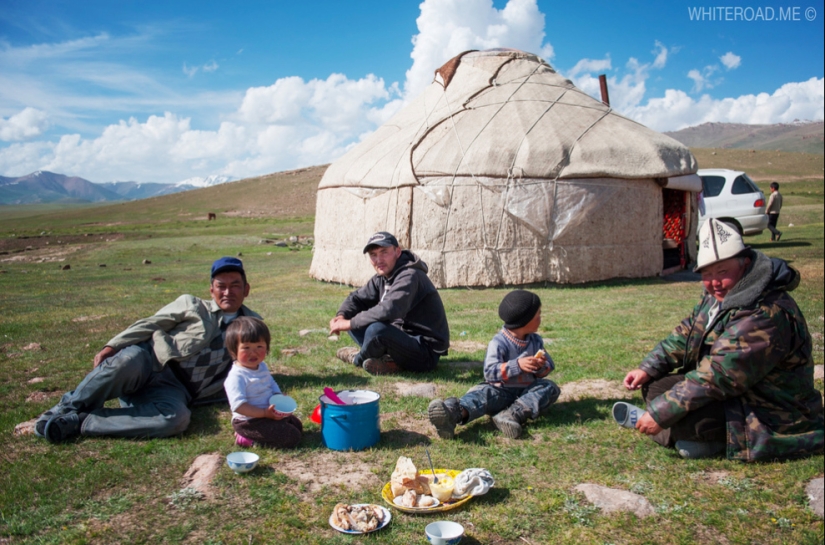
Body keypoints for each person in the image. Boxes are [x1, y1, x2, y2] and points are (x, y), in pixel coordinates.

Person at [613, 218, 823, 461]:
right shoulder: (718, 296)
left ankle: (699, 440)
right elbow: (685, 334)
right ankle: (684, 436)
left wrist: (661, 414)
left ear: (745, 264)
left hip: (766, 407)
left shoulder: (765, 312)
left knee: (689, 418)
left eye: (722, 272)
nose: (714, 283)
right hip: (732, 394)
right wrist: (648, 368)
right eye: (707, 274)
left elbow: (718, 375)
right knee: (655, 386)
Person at [35, 257, 261, 443]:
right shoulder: (192, 304)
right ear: (211, 290)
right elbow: (151, 323)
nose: (227, 292)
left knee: (176, 419)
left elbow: (251, 364)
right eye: (221, 286)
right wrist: (112, 346)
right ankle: (62, 410)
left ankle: (81, 422)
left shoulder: (252, 324)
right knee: (126, 361)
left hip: (176, 389)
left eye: (235, 285)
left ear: (246, 290)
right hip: (148, 363)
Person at [428, 290, 560, 439]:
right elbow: (490, 372)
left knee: (549, 387)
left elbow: (548, 366)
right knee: (481, 395)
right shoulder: (499, 343)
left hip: (526, 392)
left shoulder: (535, 341)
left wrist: (541, 366)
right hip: (500, 392)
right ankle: (452, 414)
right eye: (538, 315)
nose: (540, 319)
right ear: (525, 320)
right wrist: (517, 365)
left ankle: (510, 415)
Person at [329, 232, 450, 375]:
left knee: (376, 329)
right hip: (399, 340)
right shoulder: (382, 277)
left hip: (424, 351)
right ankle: (390, 362)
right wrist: (341, 316)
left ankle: (357, 358)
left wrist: (349, 323)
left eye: (384, 252)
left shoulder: (410, 275)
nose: (379, 259)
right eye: (373, 255)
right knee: (357, 318)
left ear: (397, 252)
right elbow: (356, 298)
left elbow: (389, 309)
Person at [223, 317, 302, 449]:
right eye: (246, 347)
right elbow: (239, 406)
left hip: (267, 414)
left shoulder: (262, 366)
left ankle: (267, 430)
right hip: (250, 421)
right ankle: (246, 439)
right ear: (233, 351)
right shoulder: (236, 377)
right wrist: (264, 413)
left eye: (259, 346)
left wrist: (277, 395)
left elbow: (270, 382)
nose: (253, 352)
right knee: (292, 436)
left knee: (297, 425)